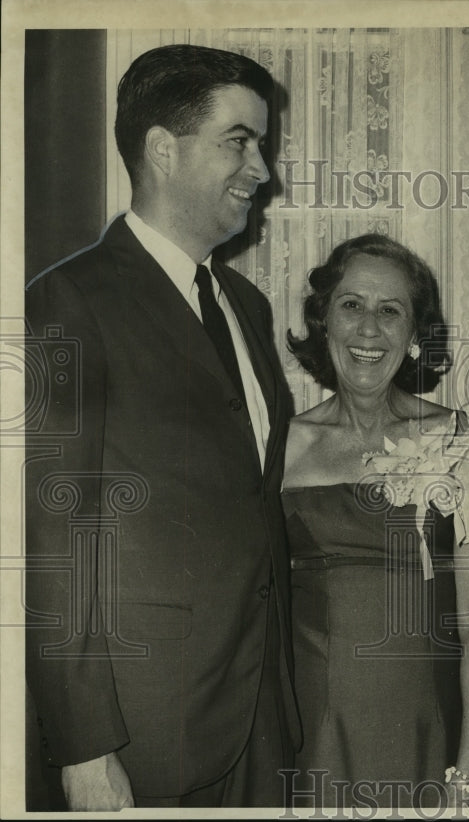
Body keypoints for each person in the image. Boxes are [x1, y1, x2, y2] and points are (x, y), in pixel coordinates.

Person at [24, 44, 299, 809]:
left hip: (260, 719)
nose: (262, 170)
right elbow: (54, 538)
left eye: (263, 145)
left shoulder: (246, 306)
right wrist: (84, 749)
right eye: (239, 142)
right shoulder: (67, 302)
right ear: (162, 149)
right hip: (144, 731)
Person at [282, 233, 469, 808]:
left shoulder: (463, 439)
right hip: (311, 729)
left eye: (391, 311)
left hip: (429, 727)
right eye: (351, 305)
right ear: (324, 322)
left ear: (414, 337)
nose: (368, 328)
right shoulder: (278, 447)